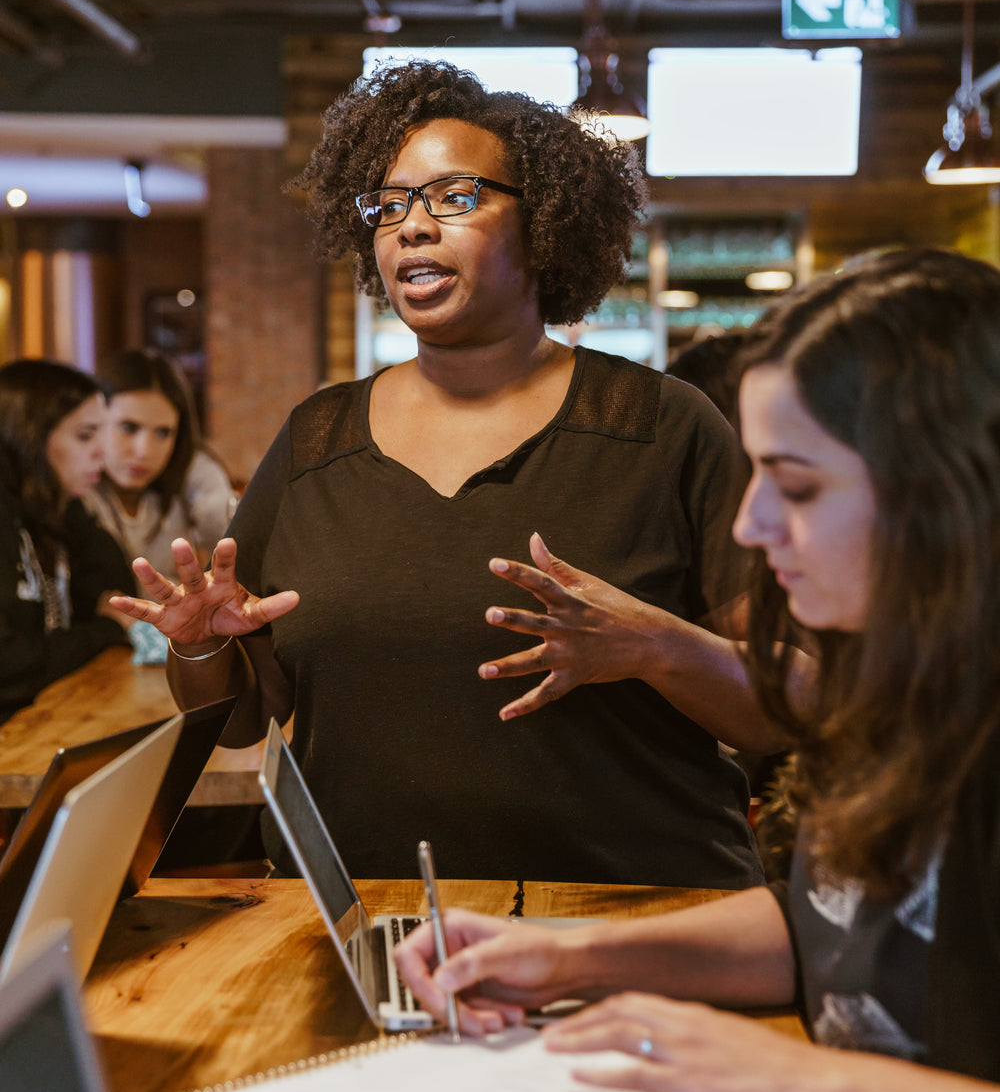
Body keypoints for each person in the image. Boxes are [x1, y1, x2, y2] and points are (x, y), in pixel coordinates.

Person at [396, 248, 1000, 1092]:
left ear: (952, 492)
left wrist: (813, 1086)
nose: (749, 526)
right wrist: (568, 956)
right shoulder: (903, 684)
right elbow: (828, 917)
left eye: (800, 485)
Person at [110, 58, 782, 888]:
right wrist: (206, 652)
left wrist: (655, 644)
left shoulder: (664, 426)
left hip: (630, 917)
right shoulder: (317, 438)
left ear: (543, 226)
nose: (410, 228)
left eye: (454, 198)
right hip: (367, 925)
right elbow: (247, 717)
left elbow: (781, 709)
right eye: (389, 207)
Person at [0, 360, 133, 726]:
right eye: (85, 436)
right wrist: (104, 631)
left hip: (38, 721)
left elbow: (117, 592)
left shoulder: (51, 510)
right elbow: (8, 666)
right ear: (28, 436)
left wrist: (71, 505)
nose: (102, 454)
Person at [85, 350, 236, 575]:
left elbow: (239, 552)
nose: (144, 451)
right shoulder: (75, 491)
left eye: (163, 433)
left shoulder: (190, 479)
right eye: (128, 427)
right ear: (93, 421)